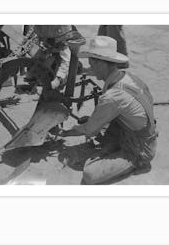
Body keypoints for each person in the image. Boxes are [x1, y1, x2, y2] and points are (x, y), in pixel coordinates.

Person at [58, 36, 158, 184]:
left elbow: (89, 130)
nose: (90, 66)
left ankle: (136, 162)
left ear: (102, 64)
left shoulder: (113, 97)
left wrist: (65, 132)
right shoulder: (126, 77)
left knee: (89, 175)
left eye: (92, 63)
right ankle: (114, 142)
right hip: (136, 132)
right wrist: (81, 70)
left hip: (139, 148)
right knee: (97, 122)